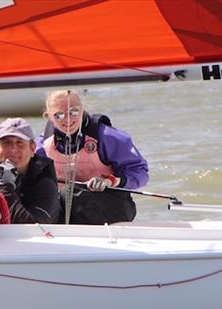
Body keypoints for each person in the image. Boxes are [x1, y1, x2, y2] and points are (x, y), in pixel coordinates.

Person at [39, 90, 149, 225]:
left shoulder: (109, 137)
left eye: (73, 112)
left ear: (82, 108)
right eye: (59, 115)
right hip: (68, 207)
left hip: (114, 206)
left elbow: (141, 173)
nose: (67, 120)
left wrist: (110, 181)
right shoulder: (43, 144)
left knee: (70, 194)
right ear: (49, 116)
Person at [0, 117, 61, 224]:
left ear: (32, 148)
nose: (13, 150)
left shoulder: (45, 184)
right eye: (6, 143)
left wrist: (6, 186)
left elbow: (32, 227)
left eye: (20, 143)